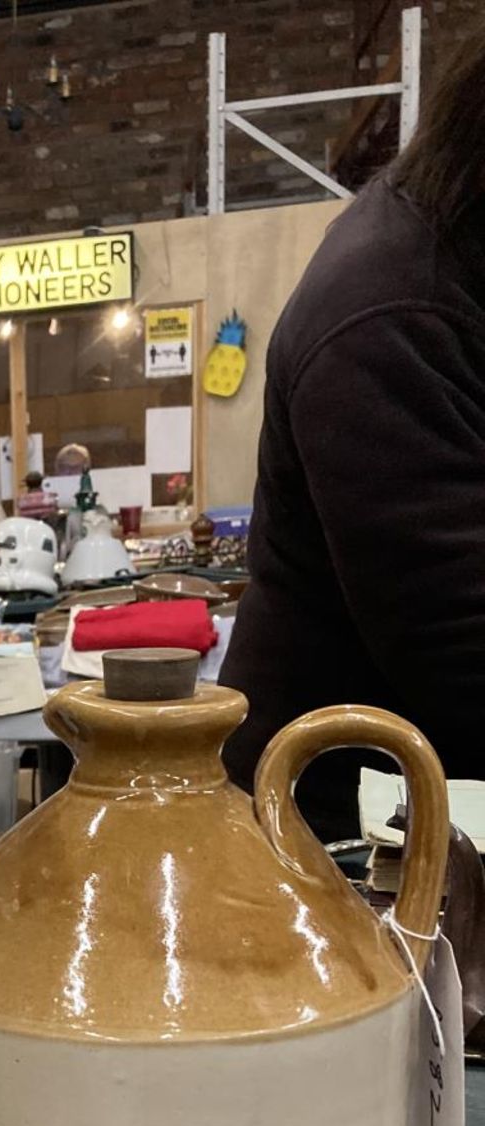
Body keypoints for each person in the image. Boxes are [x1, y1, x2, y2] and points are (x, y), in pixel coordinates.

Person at [220, 23, 485, 840]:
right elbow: (465, 661)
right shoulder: (391, 312)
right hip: (332, 838)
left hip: (393, 810)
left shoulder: (431, 266)